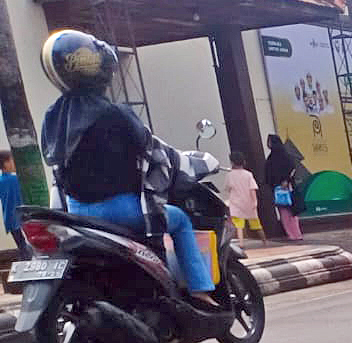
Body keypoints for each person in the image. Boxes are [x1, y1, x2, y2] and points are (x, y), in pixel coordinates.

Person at [37, 28, 217, 306]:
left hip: (77, 213)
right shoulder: (115, 113)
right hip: (122, 210)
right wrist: (192, 163)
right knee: (180, 220)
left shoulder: (52, 118)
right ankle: (200, 290)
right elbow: (154, 152)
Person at [264, 135, 303, 241]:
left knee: (284, 212)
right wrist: (287, 180)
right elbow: (292, 168)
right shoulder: (286, 156)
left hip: (278, 189)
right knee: (292, 212)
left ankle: (291, 234)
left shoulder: (271, 158)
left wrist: (275, 184)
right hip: (289, 187)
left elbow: (268, 175)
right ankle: (297, 234)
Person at [224, 151, 264, 247]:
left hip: (236, 203)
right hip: (248, 202)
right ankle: (264, 240)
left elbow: (227, 188)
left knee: (239, 225)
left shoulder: (229, 175)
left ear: (232, 162)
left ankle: (241, 243)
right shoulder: (248, 174)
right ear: (244, 162)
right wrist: (255, 201)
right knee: (256, 224)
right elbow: (253, 189)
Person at [0, 150, 25, 257]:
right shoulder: (19, 179)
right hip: (25, 217)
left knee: (22, 247)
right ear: (6, 163)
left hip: (10, 220)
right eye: (13, 160)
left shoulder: (1, 181)